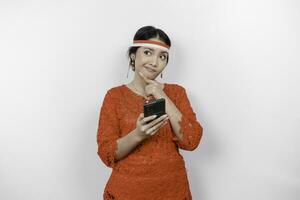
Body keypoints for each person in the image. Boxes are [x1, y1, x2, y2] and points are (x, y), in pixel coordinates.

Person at [96, 25, 204, 200]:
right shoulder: (114, 96)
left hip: (173, 191)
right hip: (127, 192)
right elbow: (106, 153)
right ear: (133, 55)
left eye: (162, 56)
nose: (155, 62)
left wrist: (162, 95)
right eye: (148, 52)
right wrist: (138, 134)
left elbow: (191, 141)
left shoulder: (177, 93)